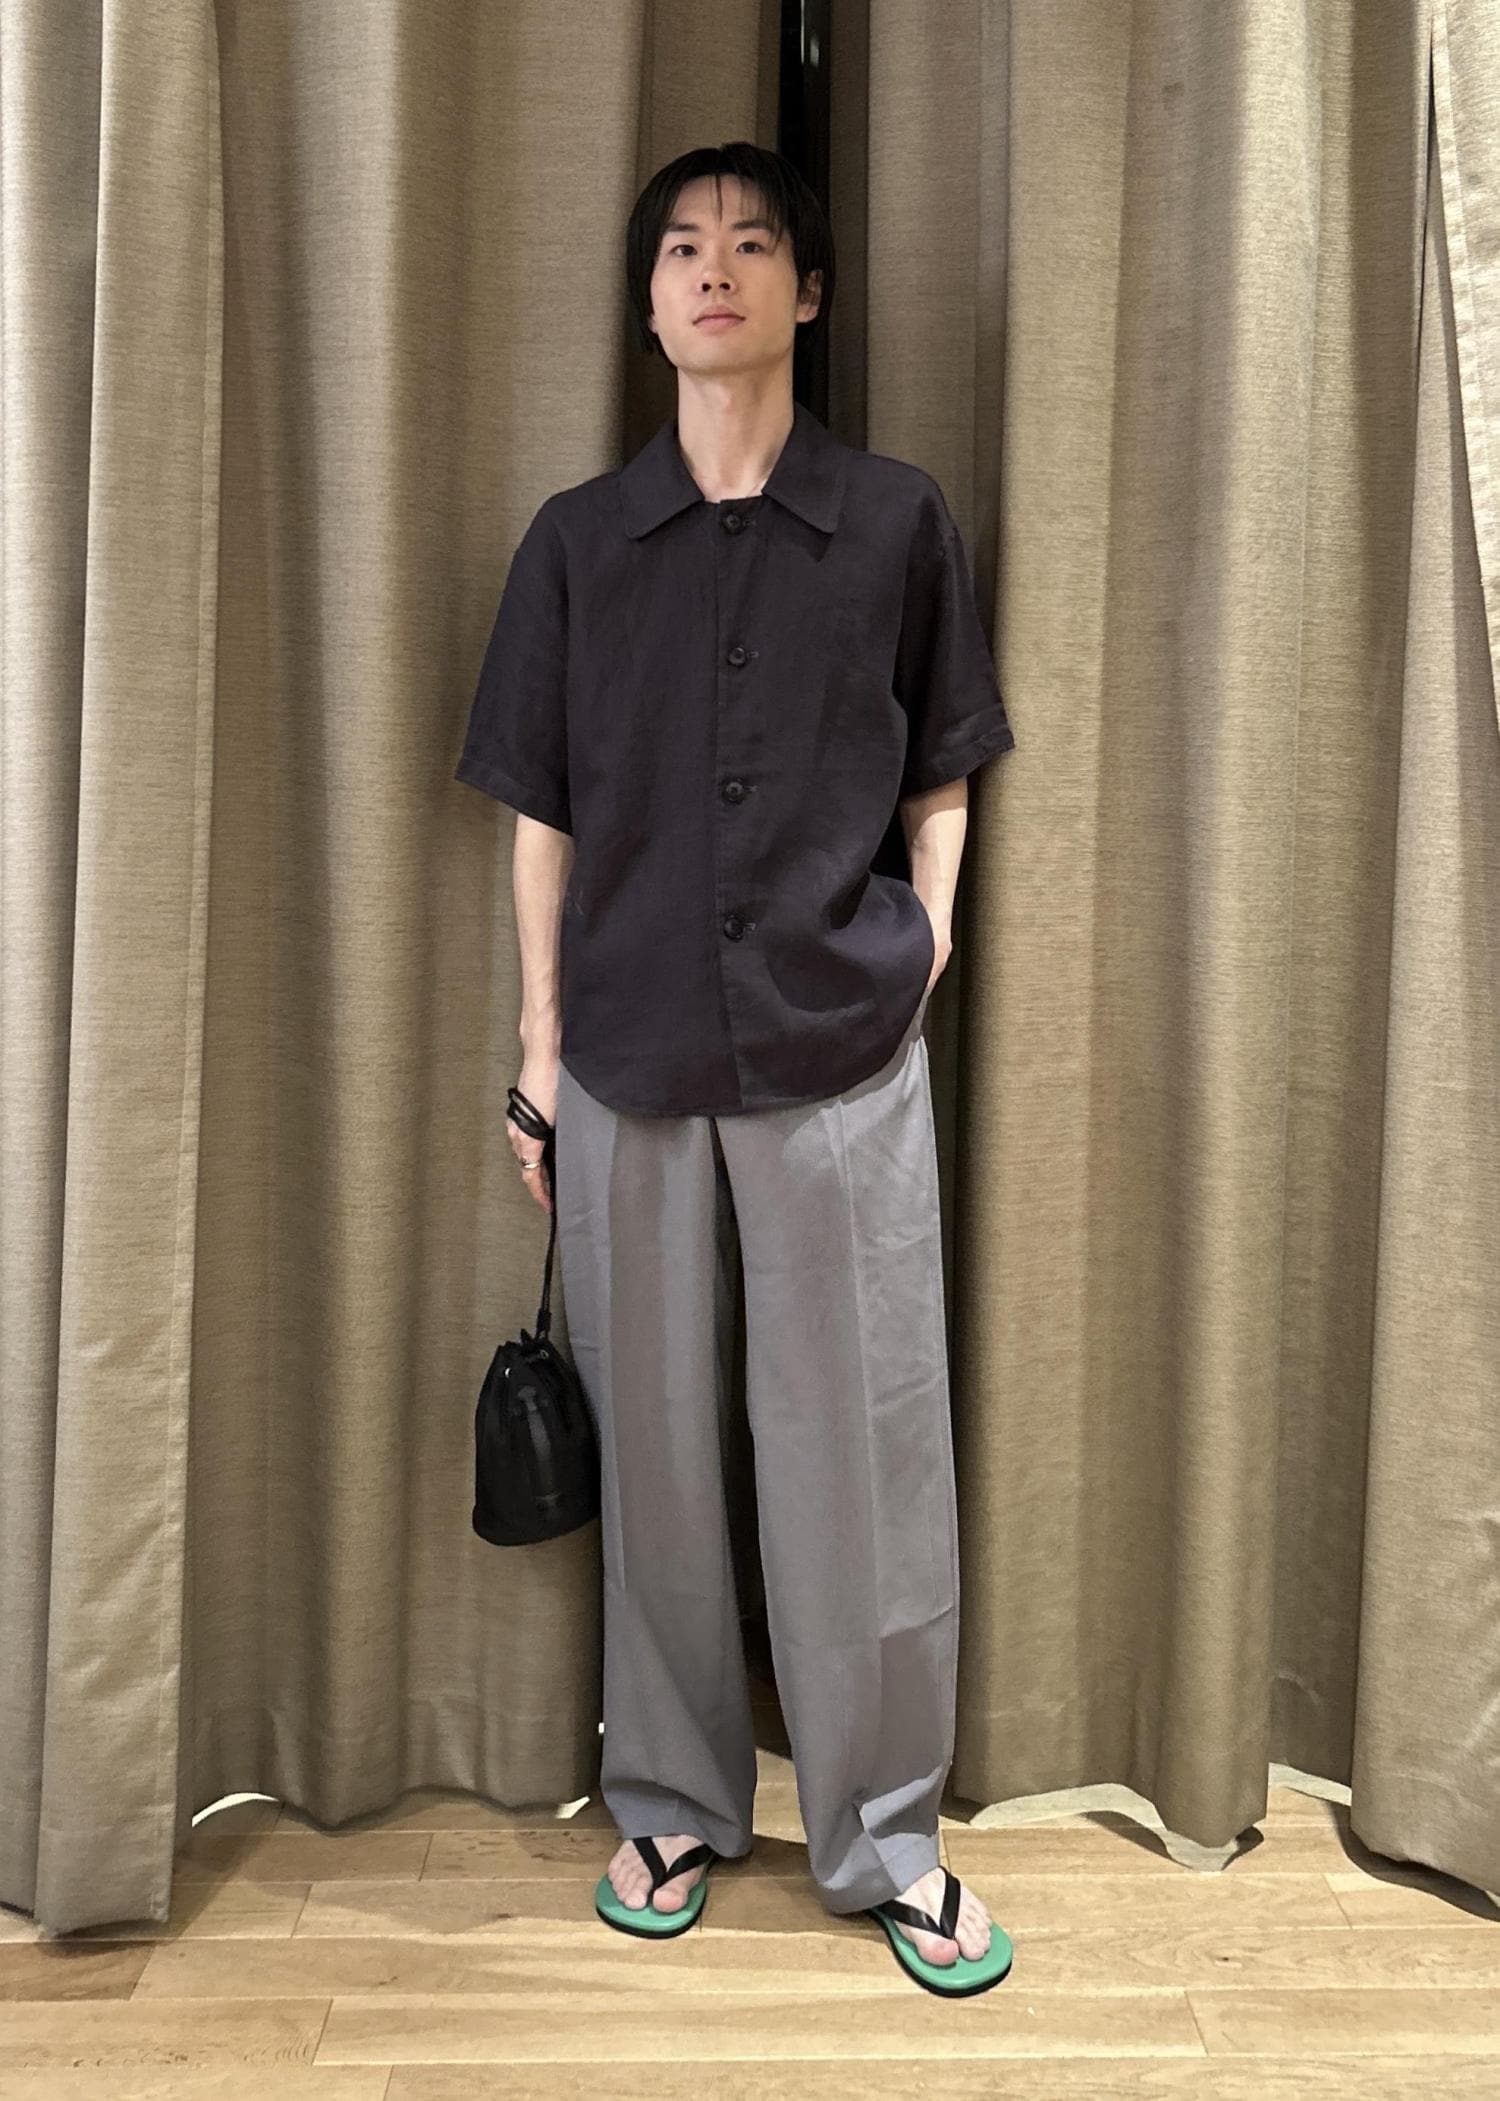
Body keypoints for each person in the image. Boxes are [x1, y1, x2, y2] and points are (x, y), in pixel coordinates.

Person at [455, 141, 1015, 1997]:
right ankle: (673, 1799)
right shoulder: (576, 543)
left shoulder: (898, 520)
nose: (719, 269)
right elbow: (540, 815)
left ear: (809, 291)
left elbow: (944, 763)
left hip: (840, 1045)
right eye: (685, 247)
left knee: (863, 1451)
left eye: (757, 242)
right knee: (663, 1460)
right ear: (646, 302)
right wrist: (539, 1053)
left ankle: (888, 1834)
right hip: (625, 1053)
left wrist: (930, 942)